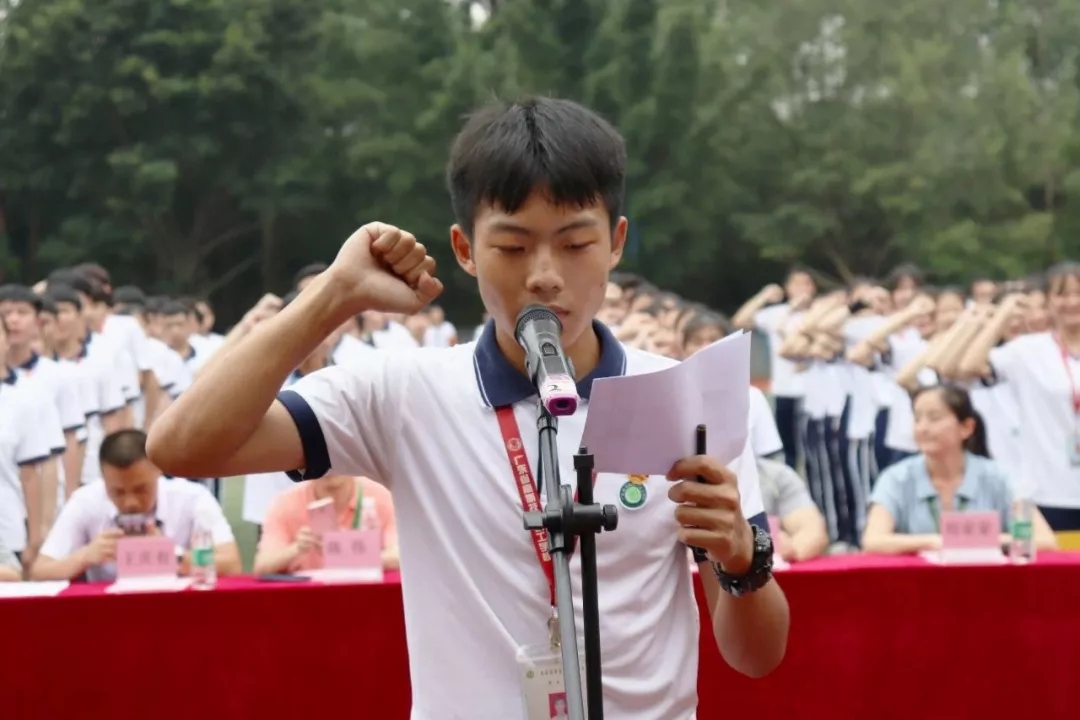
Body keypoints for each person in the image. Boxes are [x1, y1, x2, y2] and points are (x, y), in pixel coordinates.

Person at [148, 96, 789, 718]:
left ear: (616, 242)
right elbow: (180, 447)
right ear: (464, 249)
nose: (544, 275)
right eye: (512, 247)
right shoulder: (402, 394)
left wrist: (742, 558)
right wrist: (334, 295)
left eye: (575, 244)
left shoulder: (684, 399)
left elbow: (757, 657)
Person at [862, 385, 1056, 554]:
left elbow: (1044, 540)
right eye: (917, 419)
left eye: (934, 418)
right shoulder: (895, 478)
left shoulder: (1000, 477)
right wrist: (934, 542)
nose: (922, 428)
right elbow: (873, 541)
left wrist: (979, 542)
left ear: (967, 428)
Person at [30, 429, 241, 581]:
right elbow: (39, 572)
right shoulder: (86, 501)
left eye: (141, 489)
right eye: (118, 492)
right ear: (103, 480)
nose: (130, 502)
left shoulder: (192, 498)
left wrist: (172, 555)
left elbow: (232, 564)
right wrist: (85, 556)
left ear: (158, 470)